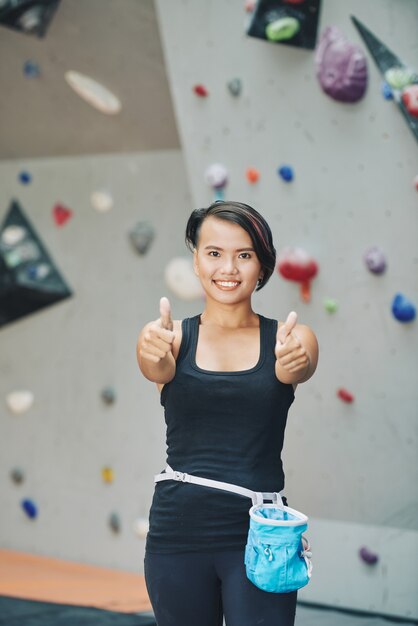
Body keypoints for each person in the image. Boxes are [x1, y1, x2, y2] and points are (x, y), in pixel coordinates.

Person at [136, 200, 318, 626]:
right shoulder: (169, 337)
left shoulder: (291, 337)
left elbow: (302, 364)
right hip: (177, 533)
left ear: (262, 265)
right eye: (214, 253)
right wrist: (151, 351)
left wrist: (297, 361)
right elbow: (154, 367)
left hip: (264, 536)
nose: (228, 268)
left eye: (244, 255)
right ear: (196, 260)